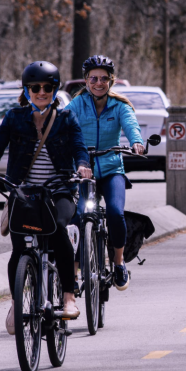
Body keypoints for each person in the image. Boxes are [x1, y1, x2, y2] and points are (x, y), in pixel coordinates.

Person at [0, 61, 92, 333]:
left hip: (58, 189)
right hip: (23, 192)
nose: (41, 92)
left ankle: (68, 298)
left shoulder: (65, 118)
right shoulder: (14, 118)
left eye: (47, 88)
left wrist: (83, 165)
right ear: (26, 90)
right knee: (20, 250)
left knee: (59, 229)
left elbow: (79, 147)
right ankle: (16, 301)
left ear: (54, 89)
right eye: (35, 88)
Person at [68, 55, 144, 291]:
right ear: (86, 80)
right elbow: (61, 124)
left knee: (114, 212)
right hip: (84, 171)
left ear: (111, 80)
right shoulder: (77, 105)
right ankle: (73, 271)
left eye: (103, 78)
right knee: (79, 215)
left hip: (112, 170)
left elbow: (132, 126)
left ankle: (118, 263)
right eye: (93, 78)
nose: (98, 83)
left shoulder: (120, 105)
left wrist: (136, 142)